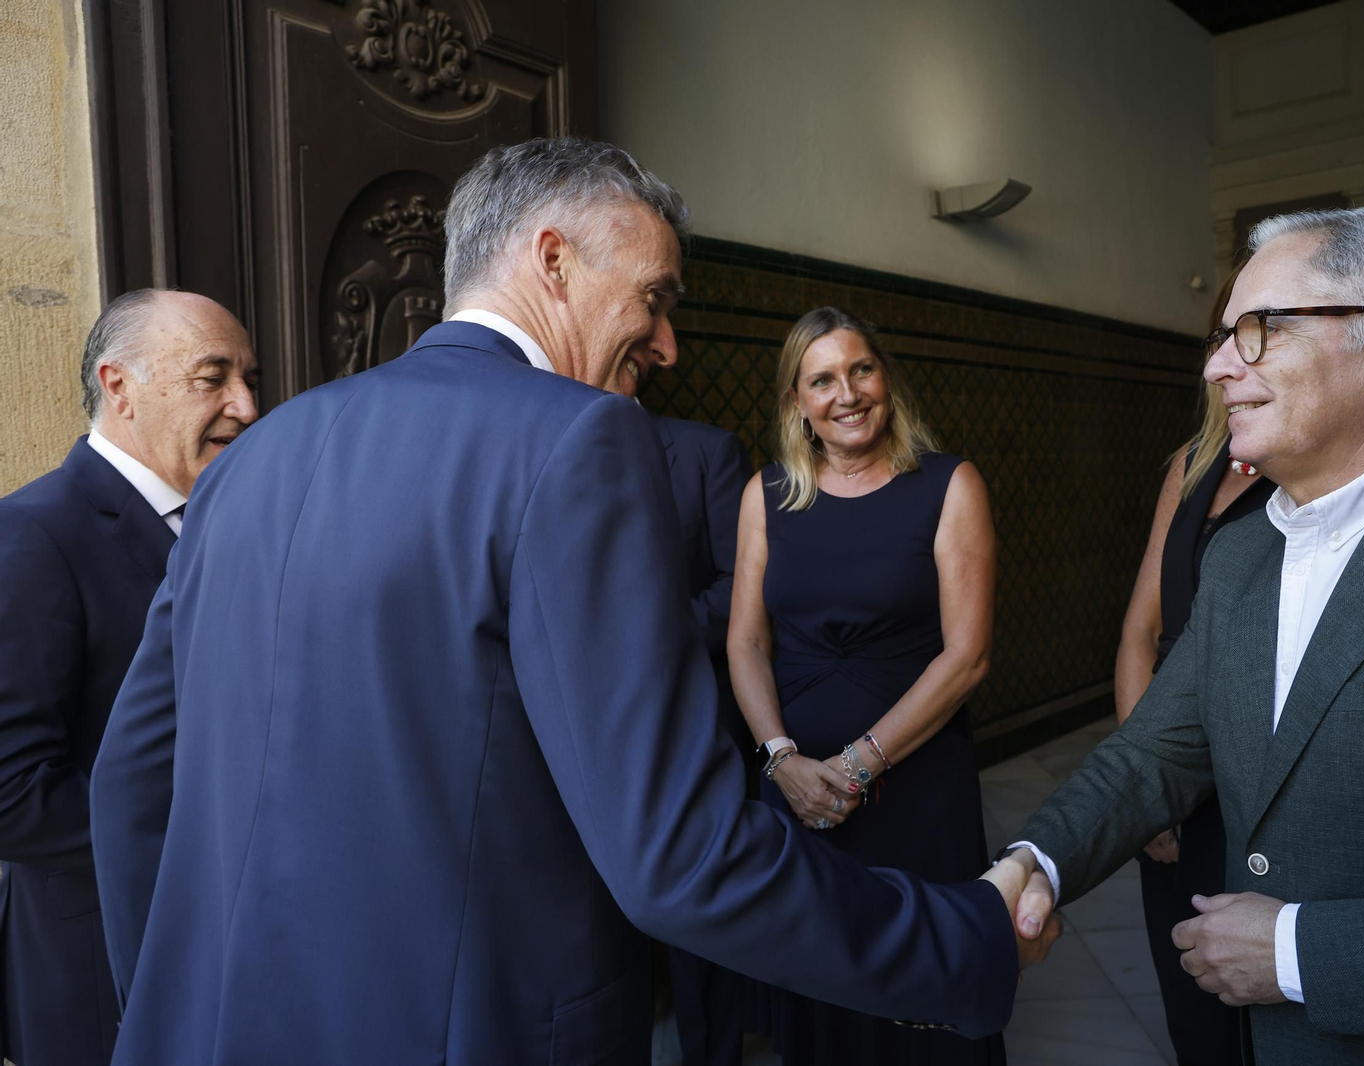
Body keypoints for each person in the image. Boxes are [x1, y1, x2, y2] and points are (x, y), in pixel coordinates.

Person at [88, 138, 1058, 1066]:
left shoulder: (254, 457)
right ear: (553, 260)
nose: (669, 344)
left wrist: (171, 1009)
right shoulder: (582, 439)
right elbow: (679, 855)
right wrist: (959, 936)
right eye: (655, 297)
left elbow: (130, 783)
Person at [1007, 207, 1364, 1064]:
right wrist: (1032, 864)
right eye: (1221, 336)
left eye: (1260, 331)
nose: (1218, 367)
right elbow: (1152, 756)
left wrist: (1295, 954)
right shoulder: (1243, 551)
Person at [728, 306, 1004, 1065]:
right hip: (796, 791)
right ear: (797, 402)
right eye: (821, 380)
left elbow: (968, 655)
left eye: (860, 369)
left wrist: (857, 765)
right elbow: (747, 640)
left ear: (885, 379)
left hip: (915, 787)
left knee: (926, 987)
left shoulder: (949, 484)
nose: (846, 393)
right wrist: (781, 761)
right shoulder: (769, 493)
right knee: (819, 994)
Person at [0, 289, 258, 1066]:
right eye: (213, 378)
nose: (246, 407)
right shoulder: (32, 536)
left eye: (249, 378)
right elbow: (11, 795)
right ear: (120, 386)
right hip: (94, 976)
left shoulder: (240, 521)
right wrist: (205, 825)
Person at [1114, 266, 1271, 1066]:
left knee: (1262, 1012)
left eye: (1257, 334)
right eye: (1223, 333)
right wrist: (1149, 789)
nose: (1231, 357)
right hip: (1173, 760)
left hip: (1256, 771)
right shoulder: (1190, 462)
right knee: (1194, 1010)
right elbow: (1142, 628)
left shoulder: (1303, 472)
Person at [651, 411, 753, 1066]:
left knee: (702, 917)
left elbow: (739, 585)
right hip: (573, 725)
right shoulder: (532, 447)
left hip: (694, 716)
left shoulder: (705, 452)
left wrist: (640, 631)